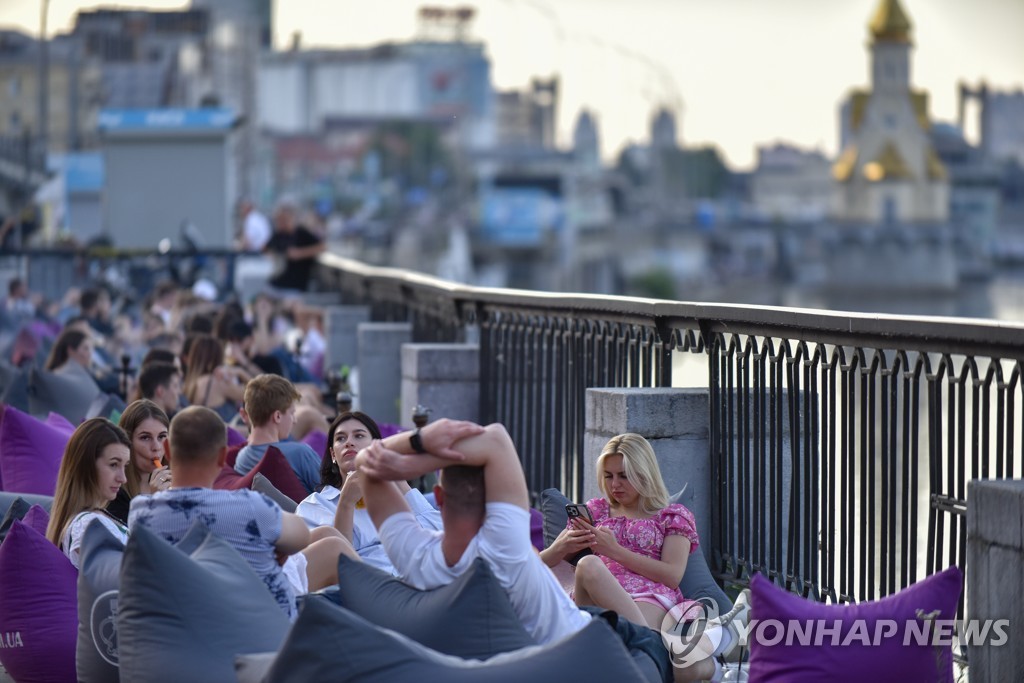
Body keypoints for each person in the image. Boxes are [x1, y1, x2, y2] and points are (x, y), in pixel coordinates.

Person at [128, 406, 356, 620]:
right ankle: (386, 606)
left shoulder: (140, 512)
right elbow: (302, 536)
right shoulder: (247, 506)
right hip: (260, 617)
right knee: (333, 549)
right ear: (222, 456)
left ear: (167, 449)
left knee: (325, 532)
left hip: (193, 612)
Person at [540, 434, 701, 630]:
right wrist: (559, 547)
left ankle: (642, 642)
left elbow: (672, 576)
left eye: (624, 476)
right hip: (594, 592)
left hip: (648, 595)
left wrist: (614, 551)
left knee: (625, 629)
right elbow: (533, 566)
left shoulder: (672, 516)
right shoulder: (595, 511)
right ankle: (645, 643)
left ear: (644, 473)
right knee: (588, 563)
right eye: (608, 476)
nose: (615, 484)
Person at [296, 411, 442, 573]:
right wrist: (346, 502)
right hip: (374, 584)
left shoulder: (394, 496)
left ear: (375, 446)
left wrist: (397, 478)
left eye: (358, 436)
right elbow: (334, 564)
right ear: (333, 455)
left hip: (419, 573)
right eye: (341, 438)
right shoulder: (315, 505)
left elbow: (437, 530)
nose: (349, 443)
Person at [46, 418, 131, 570]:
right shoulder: (87, 526)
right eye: (113, 465)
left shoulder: (94, 519)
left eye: (125, 466)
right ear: (86, 466)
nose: (123, 478)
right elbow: (121, 580)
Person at [234, 374, 321, 494]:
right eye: (292, 413)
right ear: (278, 416)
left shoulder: (240, 459)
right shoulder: (300, 454)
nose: (294, 420)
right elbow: (333, 497)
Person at [106, 400, 174, 524]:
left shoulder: (174, 483)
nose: (156, 447)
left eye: (162, 436)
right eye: (145, 437)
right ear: (127, 441)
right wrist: (154, 503)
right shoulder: (114, 492)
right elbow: (134, 540)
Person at [183, 334, 248, 423]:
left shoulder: (188, 384)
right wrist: (241, 372)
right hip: (224, 435)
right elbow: (257, 393)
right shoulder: (217, 382)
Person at [264, 202, 326, 292]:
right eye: (278, 220)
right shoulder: (279, 235)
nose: (280, 223)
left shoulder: (301, 233)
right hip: (278, 281)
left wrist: (300, 253)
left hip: (296, 284)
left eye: (283, 219)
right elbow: (265, 247)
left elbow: (322, 247)